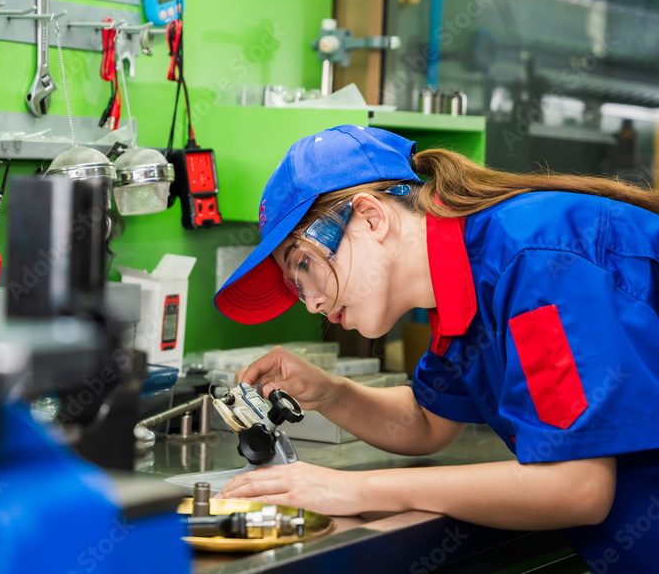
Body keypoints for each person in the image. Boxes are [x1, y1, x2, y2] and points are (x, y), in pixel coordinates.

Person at [213, 125, 659, 572]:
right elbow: (427, 423)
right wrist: (330, 393)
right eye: (295, 287)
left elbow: (576, 487)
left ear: (371, 217)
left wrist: (354, 488)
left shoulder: (536, 261)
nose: (311, 301)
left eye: (303, 265)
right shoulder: (460, 287)